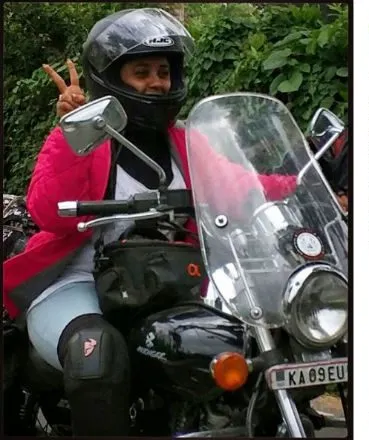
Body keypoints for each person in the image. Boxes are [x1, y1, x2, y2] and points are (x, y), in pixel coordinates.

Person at [2, 7, 339, 436]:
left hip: (172, 277)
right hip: (78, 279)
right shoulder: (84, 137)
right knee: (98, 356)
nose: (156, 82)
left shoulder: (185, 141)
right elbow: (48, 210)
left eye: (163, 70)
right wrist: (76, 139)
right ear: (110, 79)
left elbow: (243, 187)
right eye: (140, 71)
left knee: (256, 335)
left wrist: (311, 180)